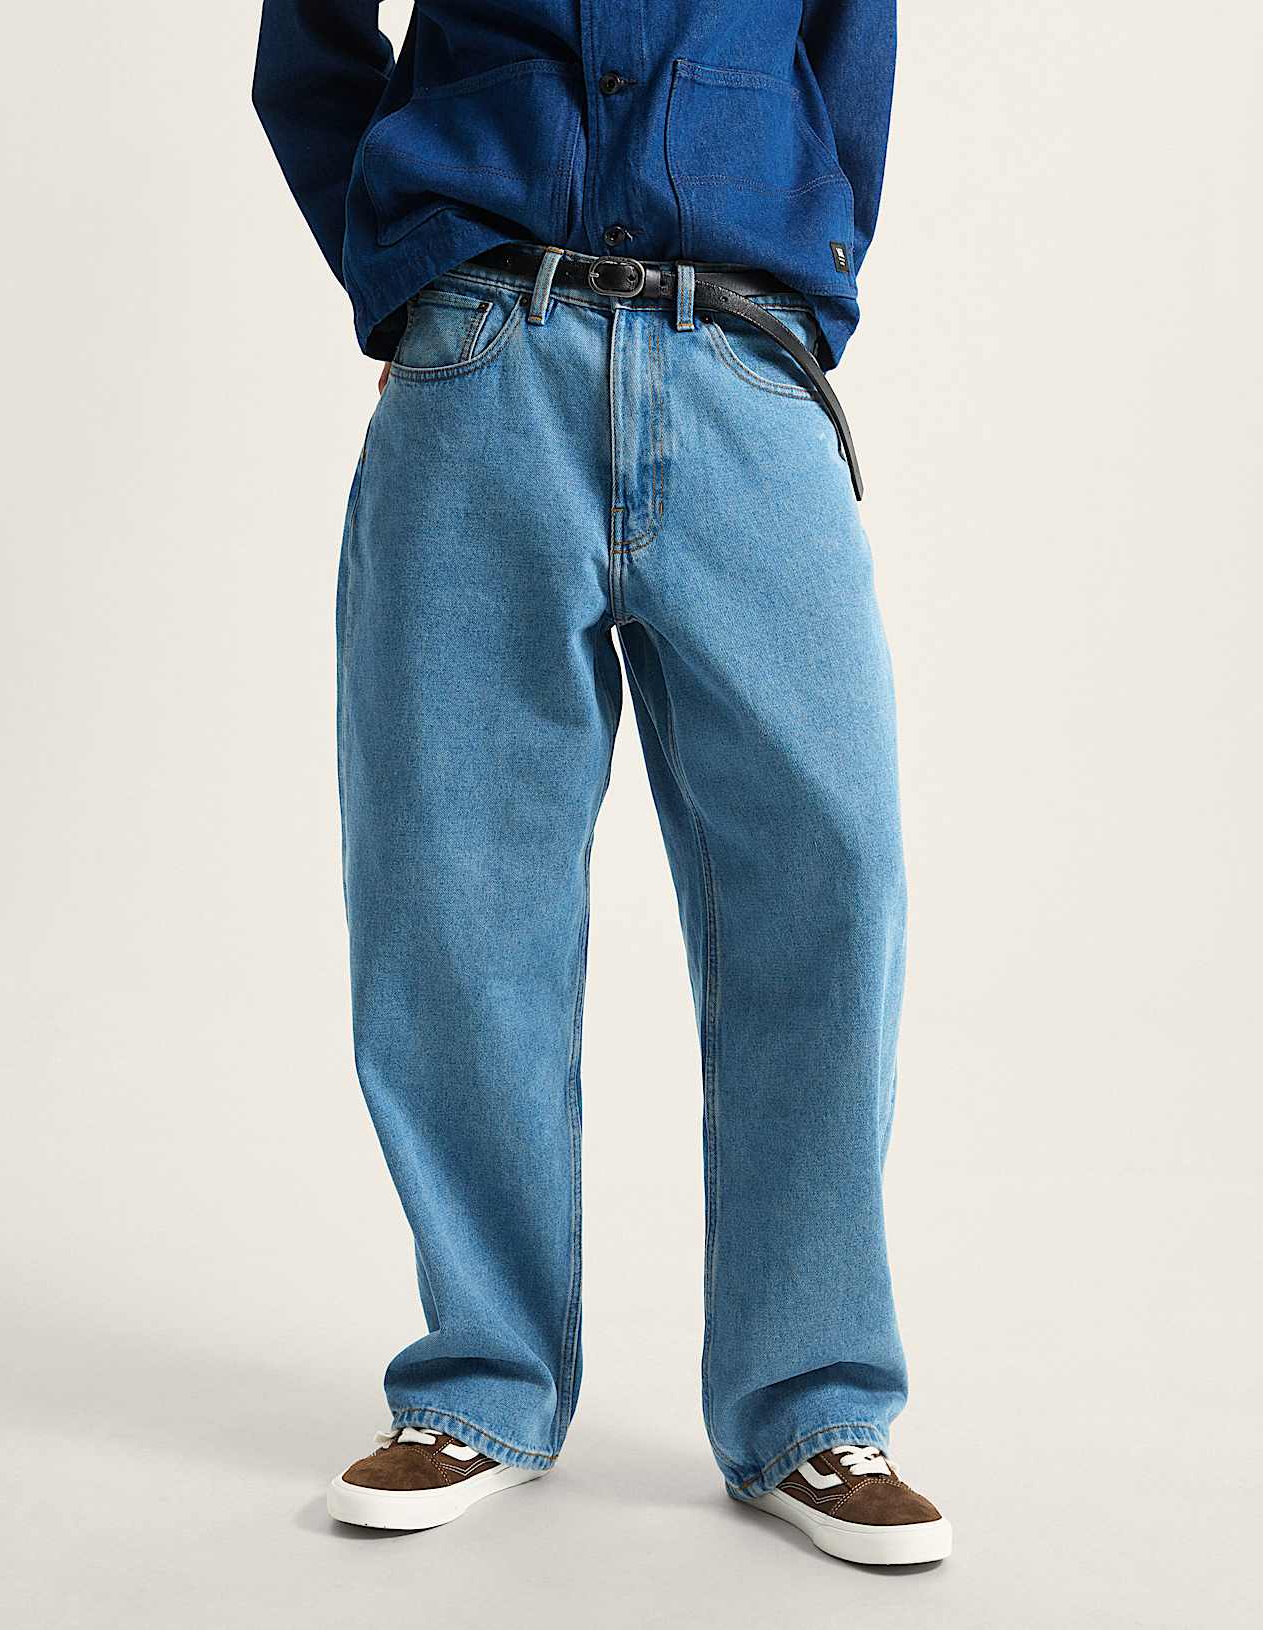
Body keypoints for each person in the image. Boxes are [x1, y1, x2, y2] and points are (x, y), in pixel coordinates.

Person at [253, 0, 951, 1565]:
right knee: (453, 891)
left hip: (743, 361)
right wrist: (406, 265)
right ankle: (483, 1376)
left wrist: (799, 275)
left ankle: (811, 1399)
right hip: (480, 356)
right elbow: (305, 41)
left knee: (832, 877)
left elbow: (852, 48)